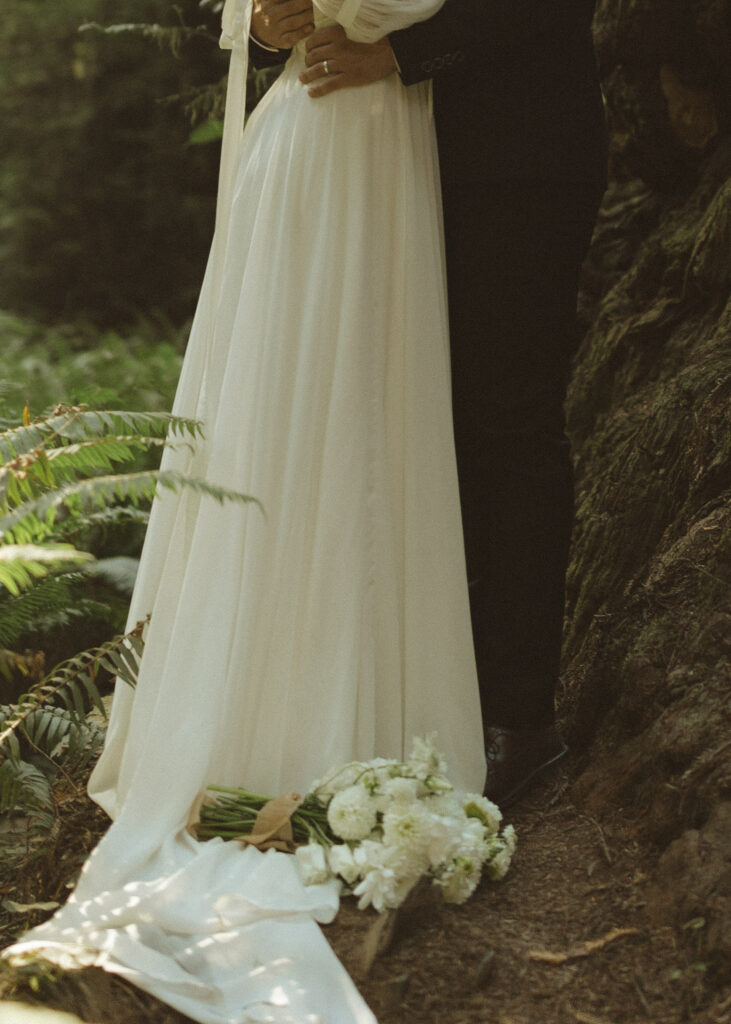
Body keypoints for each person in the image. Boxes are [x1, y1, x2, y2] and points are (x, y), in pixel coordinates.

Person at [4, 0, 487, 1020]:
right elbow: (253, 22)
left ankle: (343, 707)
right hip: (311, 131)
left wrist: (365, 25)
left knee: (360, 406)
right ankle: (261, 724)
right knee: (282, 406)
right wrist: (269, 20)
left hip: (372, 125)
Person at [250, 0, 608, 805]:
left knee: (503, 425)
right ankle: (407, 697)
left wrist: (409, 53)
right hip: (367, 159)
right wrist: (262, 22)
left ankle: (518, 718)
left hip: (514, 157)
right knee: (387, 421)